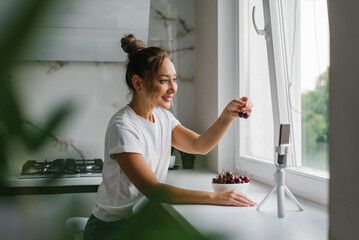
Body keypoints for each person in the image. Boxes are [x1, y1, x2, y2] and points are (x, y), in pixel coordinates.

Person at [84, 34, 255, 240]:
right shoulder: (123, 126)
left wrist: (228, 115)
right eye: (164, 81)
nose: (173, 88)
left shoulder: (163, 117)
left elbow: (200, 145)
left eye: (174, 79)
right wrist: (215, 197)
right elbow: (154, 191)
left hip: (138, 223)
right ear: (138, 83)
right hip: (110, 229)